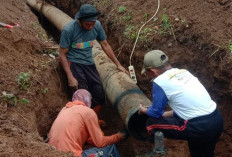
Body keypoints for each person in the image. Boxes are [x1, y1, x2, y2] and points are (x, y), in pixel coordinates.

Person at [139, 50, 223, 157]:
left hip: (198, 127)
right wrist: (166, 114)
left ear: (153, 71)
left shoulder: (160, 81)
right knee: (203, 153)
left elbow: (156, 113)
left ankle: (157, 152)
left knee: (151, 123)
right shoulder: (184, 72)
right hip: (216, 120)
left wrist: (143, 110)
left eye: (148, 73)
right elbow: (189, 107)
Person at [59, 4, 127, 113]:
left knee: (99, 94)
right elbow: (62, 53)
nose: (91, 27)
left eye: (93, 23)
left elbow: (105, 44)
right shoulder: (69, 30)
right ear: (80, 21)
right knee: (82, 95)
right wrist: (70, 77)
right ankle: (82, 120)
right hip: (74, 63)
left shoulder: (97, 25)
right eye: (87, 24)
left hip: (89, 62)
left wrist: (118, 64)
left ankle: (93, 118)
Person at [48, 89, 126, 157]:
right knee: (111, 148)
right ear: (88, 100)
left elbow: (86, 138)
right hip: (72, 155)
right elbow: (100, 143)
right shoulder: (88, 112)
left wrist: (97, 124)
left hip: (52, 153)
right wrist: (118, 136)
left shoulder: (65, 109)